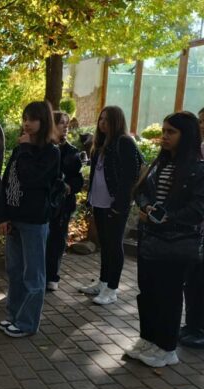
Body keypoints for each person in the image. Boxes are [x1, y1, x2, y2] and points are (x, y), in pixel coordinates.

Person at [127, 111, 204, 367]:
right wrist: (146, 207)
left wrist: (167, 217)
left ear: (185, 136)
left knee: (169, 296)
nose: (164, 136)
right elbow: (141, 191)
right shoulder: (159, 163)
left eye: (170, 132)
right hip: (150, 240)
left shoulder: (199, 170)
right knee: (148, 292)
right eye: (163, 131)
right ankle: (149, 339)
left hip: (176, 245)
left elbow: (198, 210)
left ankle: (167, 347)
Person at [0, 101, 60, 337]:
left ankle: (27, 324)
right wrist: (2, 215)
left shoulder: (50, 153)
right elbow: (8, 180)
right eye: (25, 118)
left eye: (32, 119)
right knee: (15, 271)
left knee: (33, 276)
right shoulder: (21, 149)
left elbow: (32, 178)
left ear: (43, 122)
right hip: (14, 218)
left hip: (33, 221)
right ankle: (14, 315)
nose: (26, 123)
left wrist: (26, 149)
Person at [80, 106, 141, 305]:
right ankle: (103, 282)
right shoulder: (100, 144)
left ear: (116, 121)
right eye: (101, 119)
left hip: (115, 204)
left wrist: (119, 204)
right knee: (105, 244)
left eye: (107, 120)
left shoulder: (124, 142)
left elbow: (129, 177)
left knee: (114, 246)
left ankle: (112, 289)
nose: (102, 123)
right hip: (99, 202)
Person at [180, 104, 204, 347]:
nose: (202, 126)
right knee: (191, 279)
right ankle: (192, 323)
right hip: (195, 226)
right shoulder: (199, 151)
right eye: (200, 121)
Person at [46, 111, 84, 291]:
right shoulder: (42, 148)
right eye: (62, 123)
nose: (66, 127)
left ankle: (52, 275)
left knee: (57, 239)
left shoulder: (72, 151)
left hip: (62, 205)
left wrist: (69, 186)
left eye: (67, 124)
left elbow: (78, 180)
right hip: (44, 203)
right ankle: (40, 274)